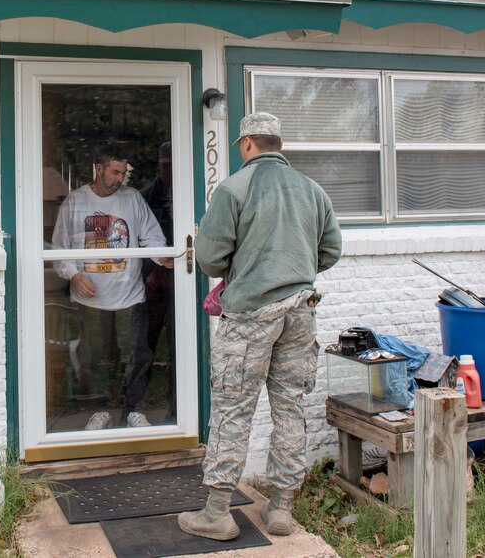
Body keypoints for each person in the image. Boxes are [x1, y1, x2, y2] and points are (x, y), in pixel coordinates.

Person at [178, 112, 342, 540]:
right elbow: (331, 251)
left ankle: (217, 512)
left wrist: (248, 270)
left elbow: (211, 259)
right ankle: (281, 507)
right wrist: (297, 270)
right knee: (290, 407)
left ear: (247, 144)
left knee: (233, 409)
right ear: (278, 144)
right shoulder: (313, 190)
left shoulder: (233, 189)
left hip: (250, 317)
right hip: (300, 313)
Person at [52, 146, 172, 430]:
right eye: (115, 172)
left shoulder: (132, 199)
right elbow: (58, 248)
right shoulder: (76, 201)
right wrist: (73, 275)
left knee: (138, 352)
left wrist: (163, 256)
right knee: (96, 354)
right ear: (99, 169)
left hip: (129, 291)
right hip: (90, 294)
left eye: (123, 172)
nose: (120, 178)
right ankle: (100, 409)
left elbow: (151, 237)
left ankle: (133, 409)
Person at [139, 142, 176, 422]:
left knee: (178, 344)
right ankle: (134, 407)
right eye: (165, 164)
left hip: (181, 279)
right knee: (144, 343)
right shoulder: (145, 198)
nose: (169, 169)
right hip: (150, 281)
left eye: (173, 164)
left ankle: (175, 409)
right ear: (158, 165)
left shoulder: (189, 193)